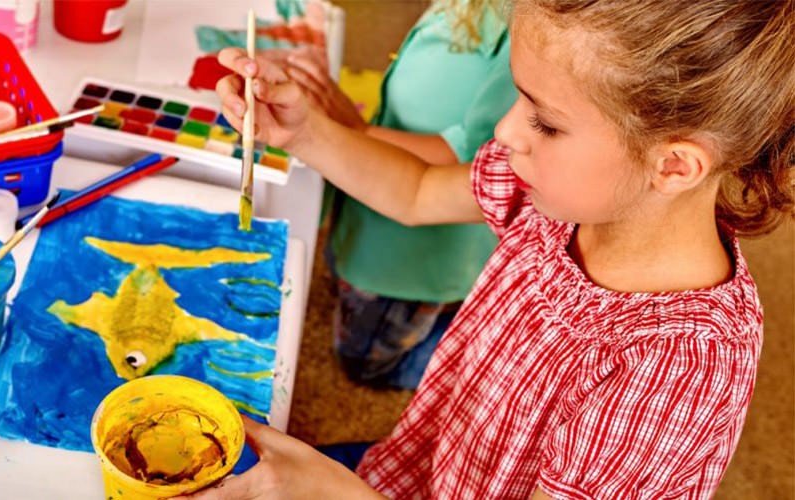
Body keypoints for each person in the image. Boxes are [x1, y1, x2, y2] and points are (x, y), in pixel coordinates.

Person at [187, 0, 793, 497]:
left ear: (674, 165)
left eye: (546, 122)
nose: (505, 131)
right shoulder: (559, 196)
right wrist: (306, 132)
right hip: (424, 471)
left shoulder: (677, 369)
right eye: (519, 98)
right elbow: (418, 191)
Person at [274, 0, 517, 389]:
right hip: (373, 209)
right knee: (344, 275)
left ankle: (477, 361)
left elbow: (480, 162)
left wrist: (353, 130)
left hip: (409, 259)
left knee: (365, 361)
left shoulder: (531, 31)